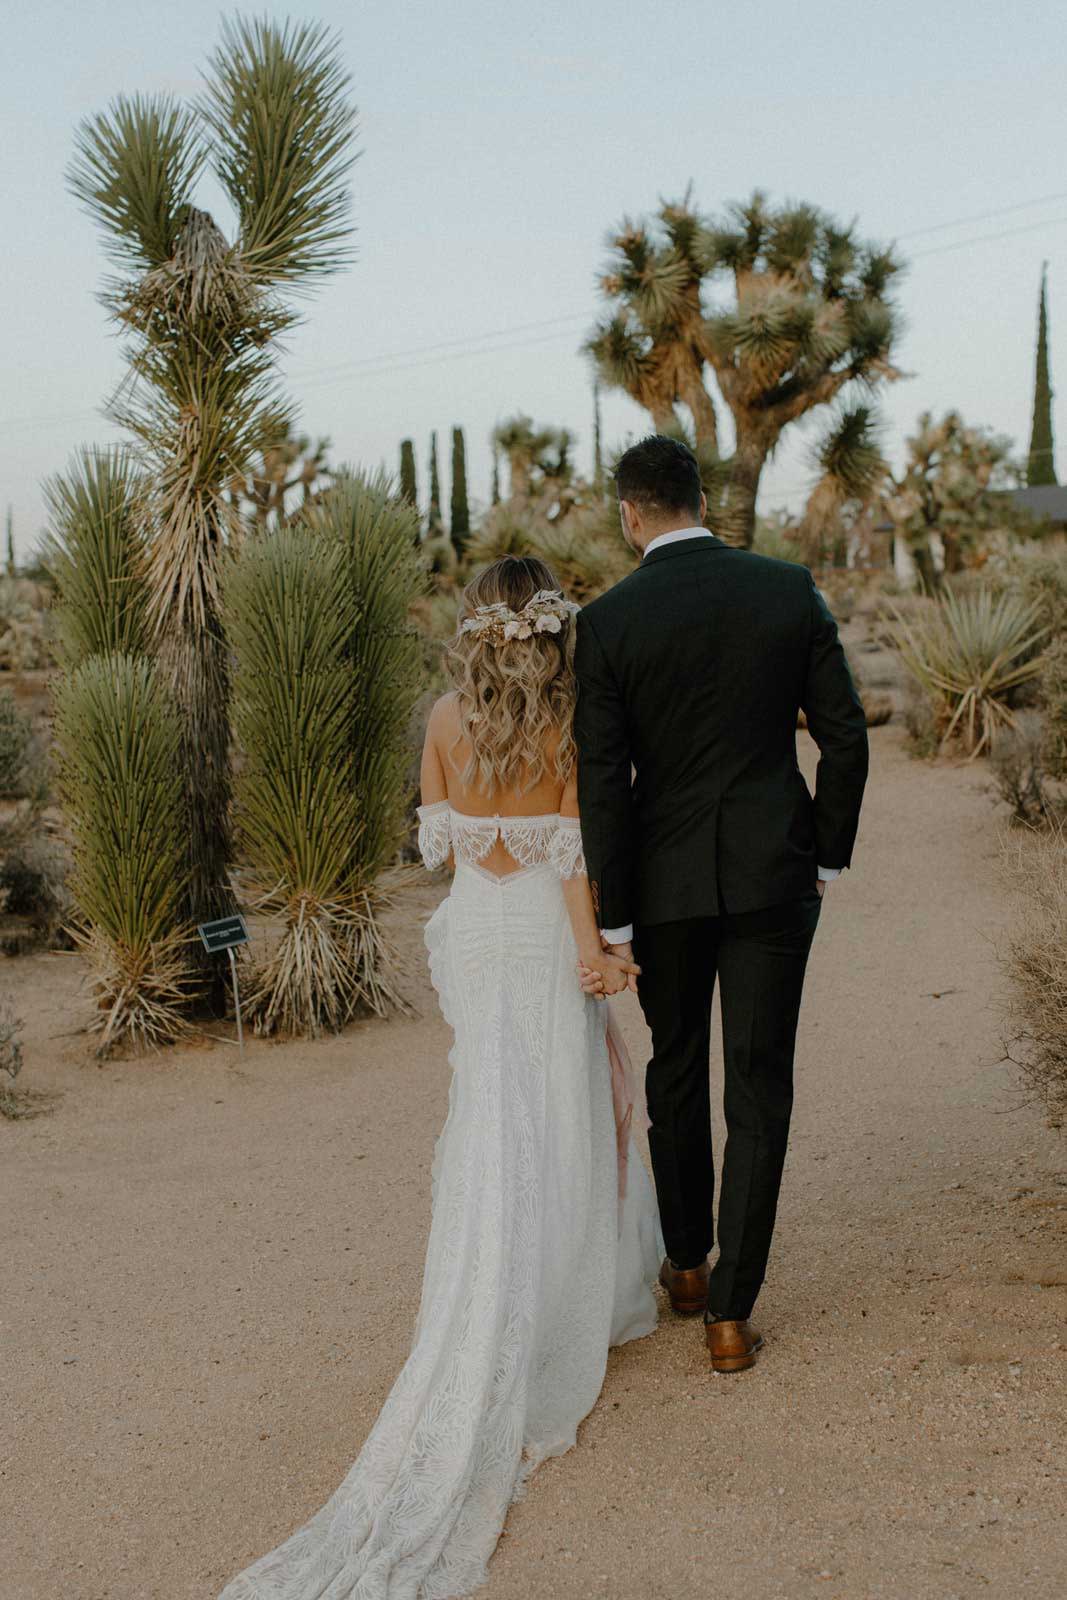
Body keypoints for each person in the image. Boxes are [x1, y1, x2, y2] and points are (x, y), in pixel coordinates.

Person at [218, 555, 662, 1600]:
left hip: (472, 934)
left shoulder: (439, 718)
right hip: (542, 941)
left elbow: (437, 849)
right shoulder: (566, 726)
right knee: (554, 1110)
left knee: (489, 1111)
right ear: (549, 627)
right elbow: (571, 861)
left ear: (473, 627)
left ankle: (486, 1263)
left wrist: (482, 824)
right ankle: (552, 1288)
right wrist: (598, 955)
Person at [574, 434, 869, 1374]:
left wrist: (612, 915)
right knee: (758, 1084)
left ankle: (688, 1264)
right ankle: (730, 1316)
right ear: (702, 500)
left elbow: (603, 782)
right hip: (772, 874)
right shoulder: (785, 589)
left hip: (660, 889)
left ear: (631, 515)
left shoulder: (608, 620)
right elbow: (845, 737)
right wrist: (823, 856)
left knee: (677, 1073)